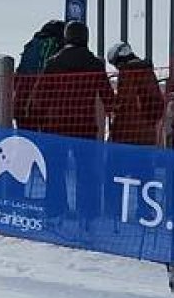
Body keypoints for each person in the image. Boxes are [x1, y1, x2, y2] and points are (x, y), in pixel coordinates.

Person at [32, 21, 113, 224]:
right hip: (84, 126)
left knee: (55, 171)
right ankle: (87, 215)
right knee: (87, 173)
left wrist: (40, 120)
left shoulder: (53, 63)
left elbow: (39, 98)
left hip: (57, 126)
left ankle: (55, 211)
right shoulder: (95, 64)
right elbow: (108, 98)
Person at [105, 42, 165, 146]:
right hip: (149, 135)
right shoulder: (148, 71)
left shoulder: (127, 73)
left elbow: (124, 104)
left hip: (127, 135)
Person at [13, 20, 64, 130]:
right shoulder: (57, 45)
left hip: (21, 105)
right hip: (44, 109)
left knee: (26, 142)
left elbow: (18, 76)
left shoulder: (31, 46)